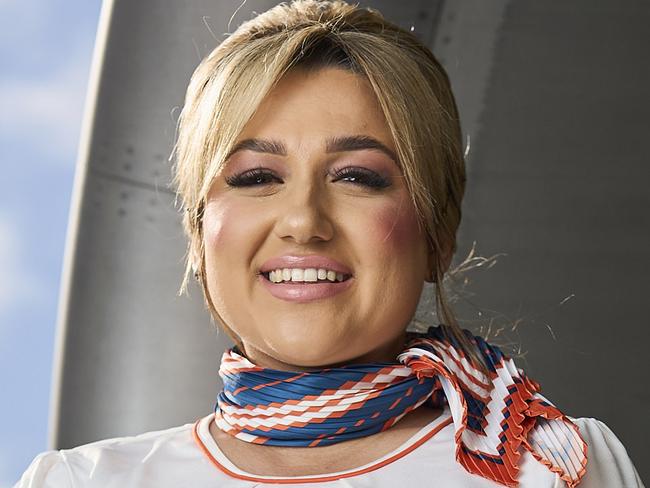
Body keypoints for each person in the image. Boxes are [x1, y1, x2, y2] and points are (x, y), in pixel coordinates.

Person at [14, 1, 644, 486]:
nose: (303, 220)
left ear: (438, 233)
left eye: (357, 177)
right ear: (199, 236)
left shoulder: (557, 467)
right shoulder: (80, 481)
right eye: (257, 177)